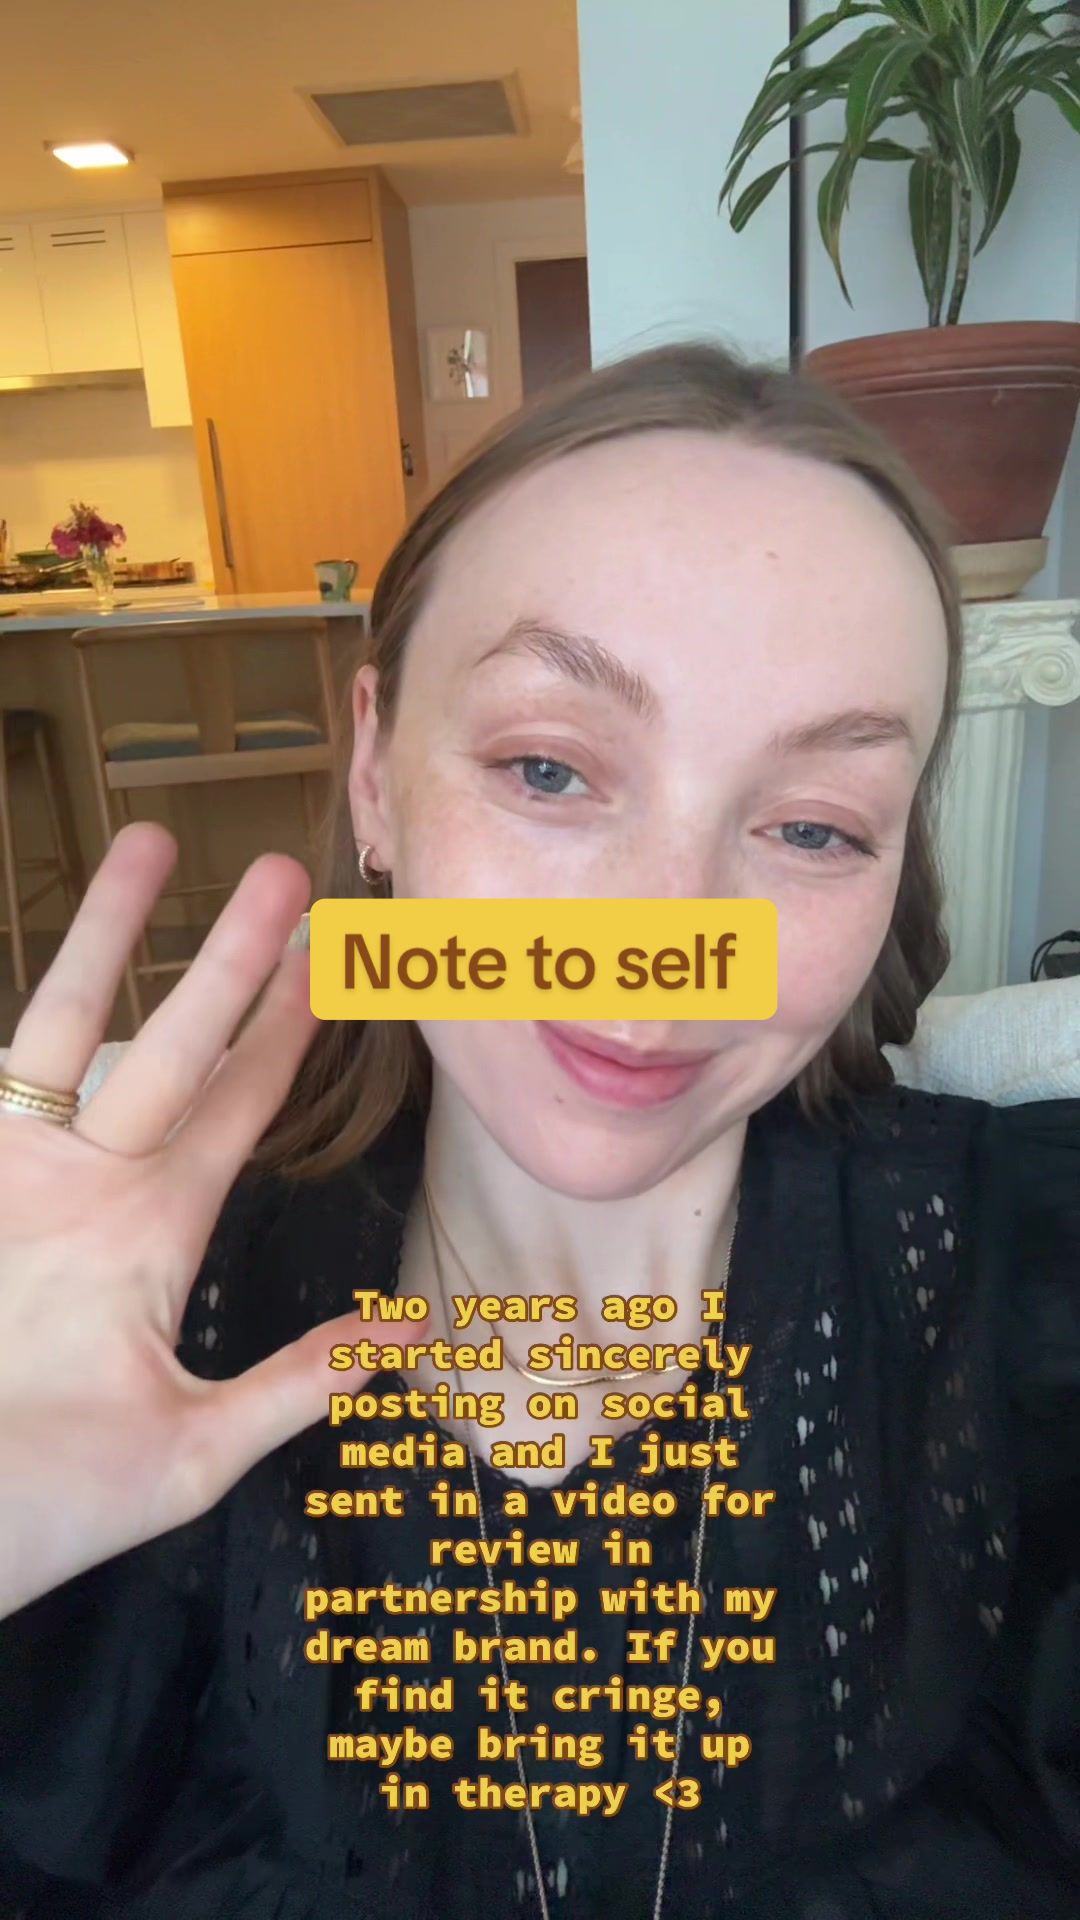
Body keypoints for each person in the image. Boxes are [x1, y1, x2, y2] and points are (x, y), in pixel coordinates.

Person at [0, 341, 1077, 1920]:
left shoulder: (1029, 1277)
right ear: (376, 771)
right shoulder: (95, 1330)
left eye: (810, 826)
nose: (661, 934)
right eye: (551, 769)